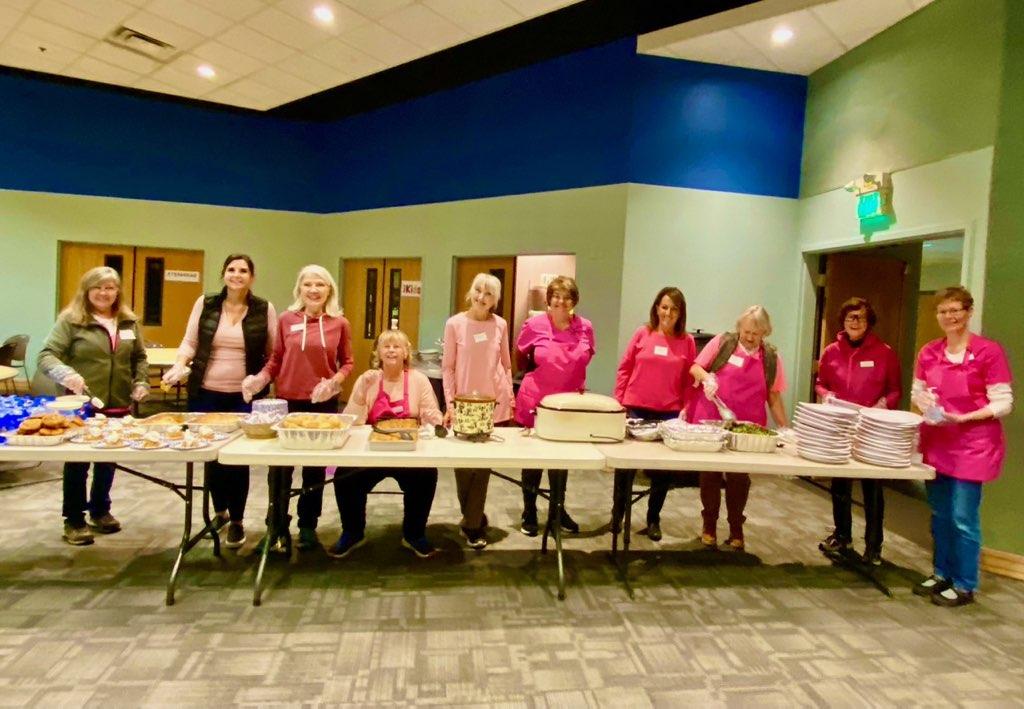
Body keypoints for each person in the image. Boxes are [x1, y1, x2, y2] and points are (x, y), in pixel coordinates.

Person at [161, 254, 277, 549]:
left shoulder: (264, 308)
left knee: (238, 461)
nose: (236, 275)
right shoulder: (206, 303)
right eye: (231, 269)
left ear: (252, 277)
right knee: (211, 456)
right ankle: (219, 512)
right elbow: (190, 342)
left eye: (243, 271)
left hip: (245, 395)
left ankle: (237, 520)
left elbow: (274, 352)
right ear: (223, 274)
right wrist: (179, 364)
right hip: (206, 393)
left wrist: (261, 380)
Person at [911, 286, 1013, 607]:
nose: (950, 317)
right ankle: (941, 572)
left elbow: (1003, 402)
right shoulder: (929, 352)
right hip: (939, 441)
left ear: (969, 312)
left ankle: (965, 583)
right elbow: (918, 391)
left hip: (974, 444)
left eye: (956, 310)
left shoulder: (988, 352)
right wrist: (926, 403)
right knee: (940, 513)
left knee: (962, 516)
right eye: (943, 311)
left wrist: (965, 417)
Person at [244, 265, 353, 553]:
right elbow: (276, 359)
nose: (314, 290)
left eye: (320, 285)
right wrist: (260, 379)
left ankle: (308, 526)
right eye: (308, 284)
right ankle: (276, 526)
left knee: (314, 470)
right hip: (287, 404)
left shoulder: (339, 323)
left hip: (322, 404)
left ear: (329, 289)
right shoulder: (285, 319)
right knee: (279, 470)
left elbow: (349, 362)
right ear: (299, 289)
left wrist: (334, 382)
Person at [38, 266, 149, 545]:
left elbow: (139, 358)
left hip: (118, 404)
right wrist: (66, 374)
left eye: (110, 287)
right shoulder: (71, 321)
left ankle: (100, 510)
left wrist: (142, 382)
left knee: (107, 461)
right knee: (77, 463)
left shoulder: (128, 322)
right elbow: (47, 355)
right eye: (98, 287)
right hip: (81, 406)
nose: (104, 293)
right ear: (87, 291)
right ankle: (74, 520)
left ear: (117, 291)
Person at [328, 329, 444, 559]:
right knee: (345, 475)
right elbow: (354, 421)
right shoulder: (368, 379)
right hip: (373, 450)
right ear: (378, 352)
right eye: (386, 346)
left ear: (405, 353)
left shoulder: (418, 380)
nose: (391, 350)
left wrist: (437, 418)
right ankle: (352, 532)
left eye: (397, 346)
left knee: (426, 476)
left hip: (408, 451)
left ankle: (414, 534)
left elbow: (433, 413)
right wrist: (361, 392)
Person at [688, 305, 788, 550]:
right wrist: (707, 378)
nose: (749, 337)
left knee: (739, 478)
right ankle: (709, 524)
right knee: (710, 475)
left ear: (765, 332)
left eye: (756, 333)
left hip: (747, 427)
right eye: (746, 331)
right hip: (712, 418)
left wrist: (785, 427)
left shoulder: (771, 358)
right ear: (739, 328)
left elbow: (773, 396)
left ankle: (736, 527)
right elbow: (695, 367)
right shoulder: (723, 343)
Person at [815, 297, 901, 565]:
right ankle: (842, 535)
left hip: (871, 427)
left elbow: (895, 388)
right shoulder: (831, 351)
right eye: (850, 317)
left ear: (869, 322)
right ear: (843, 321)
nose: (855, 322)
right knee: (840, 483)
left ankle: (874, 546)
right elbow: (820, 383)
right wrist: (826, 395)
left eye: (861, 318)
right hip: (840, 425)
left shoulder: (884, 352)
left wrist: (882, 405)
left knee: (872, 487)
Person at [612, 287, 696, 541]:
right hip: (635, 407)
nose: (668, 313)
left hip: (669, 412)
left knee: (662, 472)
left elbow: (689, 378)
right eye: (664, 307)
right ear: (656, 308)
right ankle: (618, 512)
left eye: (674, 308)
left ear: (680, 313)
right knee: (624, 468)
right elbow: (625, 368)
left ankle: (653, 518)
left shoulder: (687, 341)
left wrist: (686, 408)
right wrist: (618, 402)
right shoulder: (643, 332)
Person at [515, 275, 595, 536]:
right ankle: (529, 511)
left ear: (574, 301)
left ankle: (557, 510)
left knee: (562, 460)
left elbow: (587, 357)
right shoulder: (534, 324)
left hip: (568, 403)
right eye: (556, 296)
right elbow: (520, 354)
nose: (561, 301)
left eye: (567, 297)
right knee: (533, 459)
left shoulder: (585, 327)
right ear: (549, 299)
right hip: (536, 398)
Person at [441, 273, 514, 549]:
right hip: (463, 404)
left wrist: (510, 394)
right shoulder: (455, 324)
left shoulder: (500, 325)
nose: (481, 298)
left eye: (488, 294)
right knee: (463, 467)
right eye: (478, 291)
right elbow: (448, 367)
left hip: (493, 404)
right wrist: (450, 404)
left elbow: (505, 365)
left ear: (495, 300)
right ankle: (473, 515)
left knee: (481, 468)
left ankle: (472, 526)